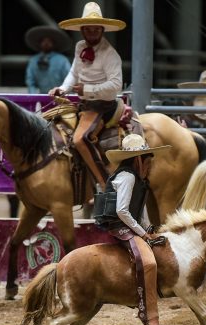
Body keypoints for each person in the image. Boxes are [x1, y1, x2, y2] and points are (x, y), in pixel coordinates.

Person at [97, 134, 171, 325]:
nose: (150, 167)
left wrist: (149, 230)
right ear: (139, 160)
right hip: (120, 227)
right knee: (149, 263)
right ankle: (149, 314)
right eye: (148, 162)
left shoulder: (139, 179)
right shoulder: (128, 177)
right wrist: (143, 234)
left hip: (130, 225)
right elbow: (122, 211)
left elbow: (140, 212)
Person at [49, 2, 126, 192]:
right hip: (86, 104)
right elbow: (74, 73)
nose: (92, 32)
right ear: (82, 30)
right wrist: (63, 89)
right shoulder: (80, 46)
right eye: (88, 29)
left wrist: (87, 90)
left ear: (102, 30)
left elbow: (115, 87)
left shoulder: (110, 54)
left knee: (79, 139)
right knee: (54, 127)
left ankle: (106, 184)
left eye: (96, 29)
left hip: (103, 106)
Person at [24, 26, 71, 94]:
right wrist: (33, 97)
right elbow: (30, 82)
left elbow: (68, 80)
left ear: (54, 43)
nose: (46, 43)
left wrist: (65, 94)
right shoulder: (33, 61)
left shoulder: (62, 60)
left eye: (49, 41)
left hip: (60, 96)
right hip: (42, 97)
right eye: (43, 41)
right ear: (39, 43)